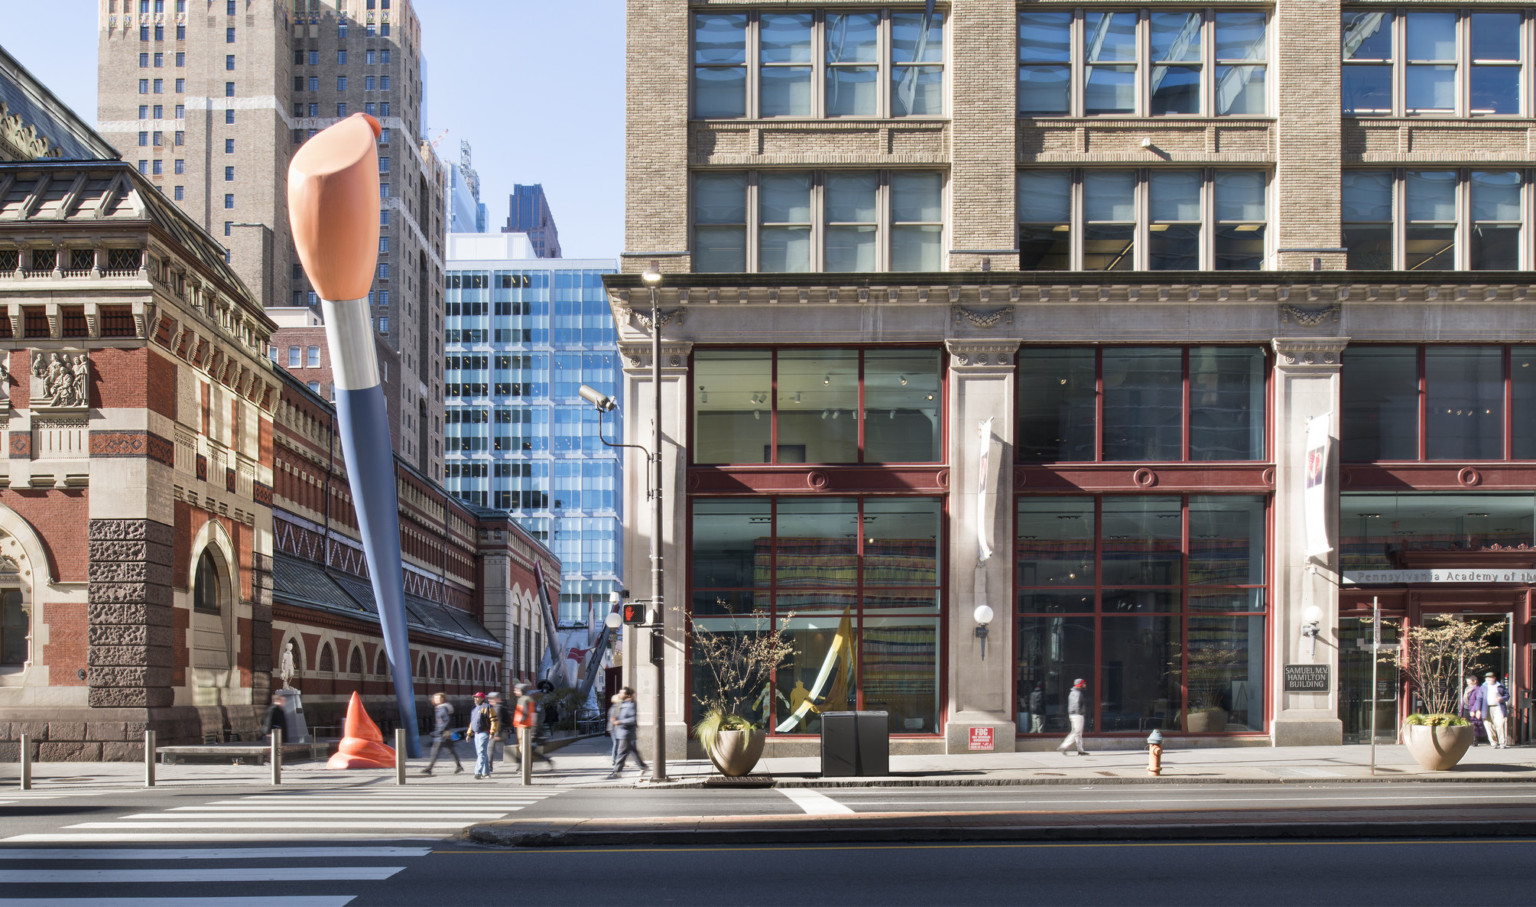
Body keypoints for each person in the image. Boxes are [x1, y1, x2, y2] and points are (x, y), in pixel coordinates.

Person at [511, 683, 556, 770]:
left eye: (516, 689)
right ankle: (526, 766)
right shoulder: (523, 699)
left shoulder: (525, 700)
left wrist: (522, 722)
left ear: (521, 691)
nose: (514, 691)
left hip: (525, 728)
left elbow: (526, 714)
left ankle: (526, 768)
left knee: (526, 749)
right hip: (523, 727)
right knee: (526, 749)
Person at [607, 686, 649, 778]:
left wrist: (619, 721)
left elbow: (632, 719)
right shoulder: (621, 704)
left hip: (626, 733)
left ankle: (617, 772)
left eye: (622, 692)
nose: (620, 694)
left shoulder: (630, 705)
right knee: (632, 751)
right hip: (621, 732)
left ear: (627, 695)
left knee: (621, 753)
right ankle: (643, 766)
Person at [420, 692, 464, 775]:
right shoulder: (440, 708)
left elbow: (447, 720)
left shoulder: (443, 708)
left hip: (442, 734)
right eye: (435, 698)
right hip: (444, 733)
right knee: (450, 750)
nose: (436, 700)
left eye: (439, 698)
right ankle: (458, 766)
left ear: (443, 699)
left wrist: (440, 730)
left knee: (435, 751)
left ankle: (429, 768)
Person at [466, 692, 498, 779]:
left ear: (482, 698)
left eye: (477, 697)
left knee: (481, 753)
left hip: (484, 732)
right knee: (482, 753)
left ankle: (478, 772)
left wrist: (492, 732)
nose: (475, 699)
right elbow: (472, 723)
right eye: (475, 697)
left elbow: (494, 720)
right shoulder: (475, 709)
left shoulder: (487, 707)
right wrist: (469, 733)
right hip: (477, 733)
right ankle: (486, 772)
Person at [1057, 678, 1090, 756]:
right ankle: (1063, 746)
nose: (1085, 685)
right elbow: (1076, 704)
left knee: (1078, 733)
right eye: (1084, 683)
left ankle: (1080, 750)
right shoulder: (1077, 693)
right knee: (1076, 732)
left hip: (1074, 714)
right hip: (1077, 715)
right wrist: (1079, 713)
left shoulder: (1073, 692)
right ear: (1080, 685)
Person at [485, 691, 514, 772]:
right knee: (505, 749)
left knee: (490, 748)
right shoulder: (499, 707)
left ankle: (489, 767)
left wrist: (496, 734)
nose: (489, 700)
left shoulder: (498, 708)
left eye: (491, 699)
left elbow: (498, 722)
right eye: (489, 699)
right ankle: (519, 762)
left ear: (497, 699)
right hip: (502, 731)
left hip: (498, 732)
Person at [1481, 671, 1510, 749]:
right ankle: (1493, 742)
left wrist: (1502, 698)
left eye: (1490, 678)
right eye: (1487, 678)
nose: (1488, 680)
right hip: (1486, 707)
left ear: (1494, 678)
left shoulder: (1500, 686)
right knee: (1488, 725)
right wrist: (1477, 709)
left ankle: (1502, 742)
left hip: (1498, 707)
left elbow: (1507, 695)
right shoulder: (1483, 687)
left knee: (1499, 724)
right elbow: (1479, 698)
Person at [1462, 676, 1487, 746]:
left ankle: (1474, 740)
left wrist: (1474, 710)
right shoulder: (1467, 689)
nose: (1468, 683)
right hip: (1466, 708)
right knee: (1466, 724)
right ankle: (1467, 740)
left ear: (1474, 681)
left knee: (1474, 725)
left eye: (1469, 681)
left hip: (1472, 709)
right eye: (1467, 681)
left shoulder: (1477, 689)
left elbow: (1477, 700)